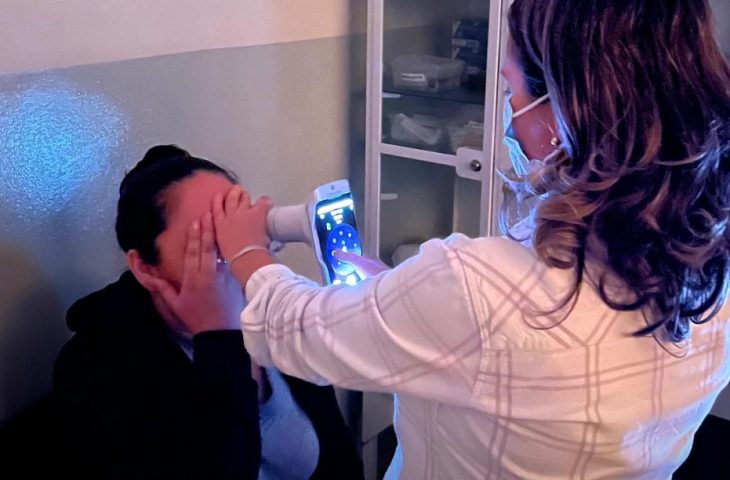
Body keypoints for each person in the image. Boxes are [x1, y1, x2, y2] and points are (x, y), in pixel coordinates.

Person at [165, 0, 730, 478]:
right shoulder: (710, 259)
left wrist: (246, 251)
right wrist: (405, 302)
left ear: (565, 107)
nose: (509, 117)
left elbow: (298, 335)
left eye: (510, 90)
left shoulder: (479, 287)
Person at [53, 145, 363, 480]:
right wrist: (218, 338)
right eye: (206, 243)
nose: (235, 254)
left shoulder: (276, 322)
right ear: (145, 267)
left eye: (236, 231)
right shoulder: (94, 368)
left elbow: (341, 463)